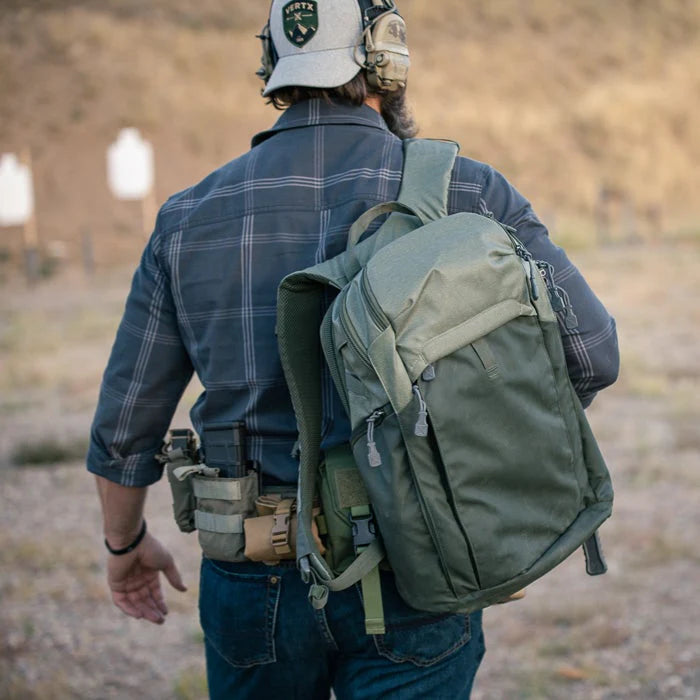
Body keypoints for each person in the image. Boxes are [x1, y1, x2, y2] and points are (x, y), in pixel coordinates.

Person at [88, 1, 620, 698]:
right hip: (423, 557)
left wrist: (125, 547)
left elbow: (127, 427)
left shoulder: (187, 217)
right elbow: (592, 355)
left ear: (273, 67)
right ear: (387, 60)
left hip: (254, 572)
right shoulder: (465, 189)